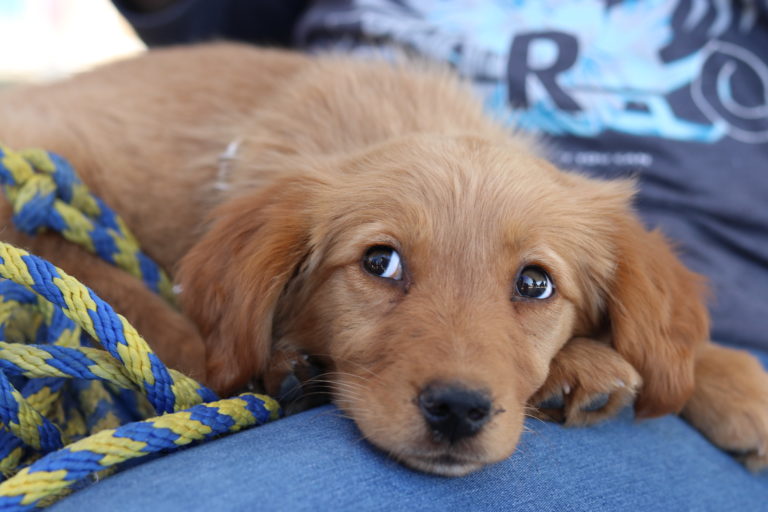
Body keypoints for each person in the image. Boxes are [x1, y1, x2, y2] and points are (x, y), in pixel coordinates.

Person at [51, 1, 768, 510]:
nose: (457, 381)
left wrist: (689, 361)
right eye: (383, 264)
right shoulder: (281, 206)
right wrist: (185, 347)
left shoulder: (604, 254)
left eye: (532, 282)